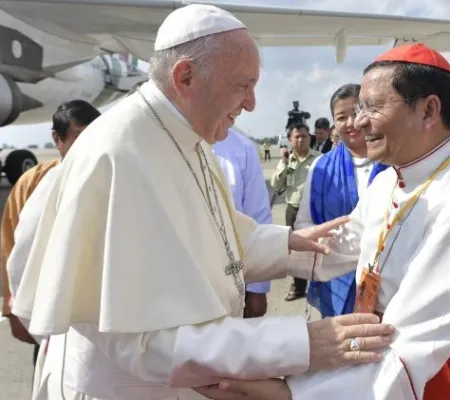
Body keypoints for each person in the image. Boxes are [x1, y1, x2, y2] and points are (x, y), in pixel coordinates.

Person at [10, 5, 395, 400]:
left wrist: (289, 243)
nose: (251, 105)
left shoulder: (189, 139)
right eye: (242, 85)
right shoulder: (116, 157)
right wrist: (301, 343)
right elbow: (143, 341)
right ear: (186, 77)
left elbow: (214, 242)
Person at [200, 42, 450, 400]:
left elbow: (406, 353)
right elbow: (328, 251)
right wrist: (222, 258)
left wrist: (289, 393)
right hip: (368, 371)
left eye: (372, 107)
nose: (358, 121)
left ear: (429, 110)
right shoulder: (389, 180)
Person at [1, 100, 101, 367]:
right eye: (79, 137)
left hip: (98, 321)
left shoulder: (113, 177)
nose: (90, 145)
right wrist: (12, 310)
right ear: (57, 139)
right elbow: (12, 248)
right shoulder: (33, 182)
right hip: (48, 314)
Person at [295, 83, 388, 317]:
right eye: (341, 117)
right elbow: (303, 223)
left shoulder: (395, 162)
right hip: (336, 278)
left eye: (356, 113)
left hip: (389, 281)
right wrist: (332, 242)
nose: (350, 123)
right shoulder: (321, 168)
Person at [212, 128, 272, 317]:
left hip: (231, 280)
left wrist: (258, 287)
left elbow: (258, 218)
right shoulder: (160, 140)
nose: (248, 105)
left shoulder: (242, 148)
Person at [271, 123, 321, 301]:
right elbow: (276, 185)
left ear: (310, 138)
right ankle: (299, 287)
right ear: (290, 140)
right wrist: (284, 162)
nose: (300, 140)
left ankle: (320, 287)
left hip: (314, 211)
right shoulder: (287, 160)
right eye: (296, 137)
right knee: (295, 251)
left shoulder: (319, 159)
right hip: (293, 210)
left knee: (317, 249)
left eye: (304, 136)